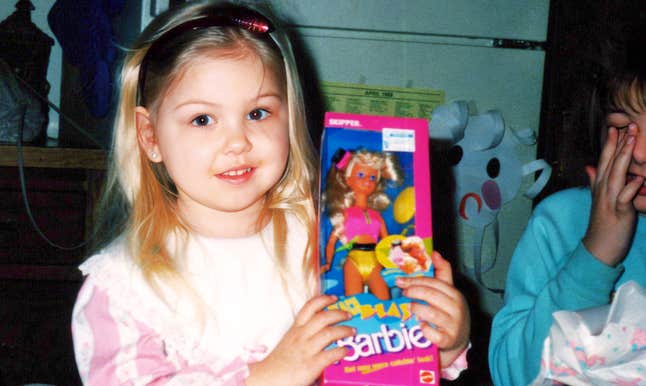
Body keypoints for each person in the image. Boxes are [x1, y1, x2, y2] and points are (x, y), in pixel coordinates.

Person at [71, 1, 471, 384]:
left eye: (257, 113)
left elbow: (383, 363)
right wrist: (266, 377)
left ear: (290, 117)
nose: (237, 142)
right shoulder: (123, 285)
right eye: (202, 119)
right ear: (150, 135)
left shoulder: (322, 239)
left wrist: (443, 341)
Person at [488, 67, 646, 385]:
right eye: (622, 127)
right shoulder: (562, 220)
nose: (639, 153)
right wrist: (596, 255)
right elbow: (514, 376)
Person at [322, 149, 403, 300]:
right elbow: (332, 240)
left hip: (375, 260)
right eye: (361, 175)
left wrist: (398, 260)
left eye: (373, 177)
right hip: (354, 260)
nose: (367, 181)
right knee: (355, 305)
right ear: (348, 179)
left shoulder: (377, 216)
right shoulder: (346, 214)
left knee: (385, 302)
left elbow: (387, 241)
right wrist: (327, 263)